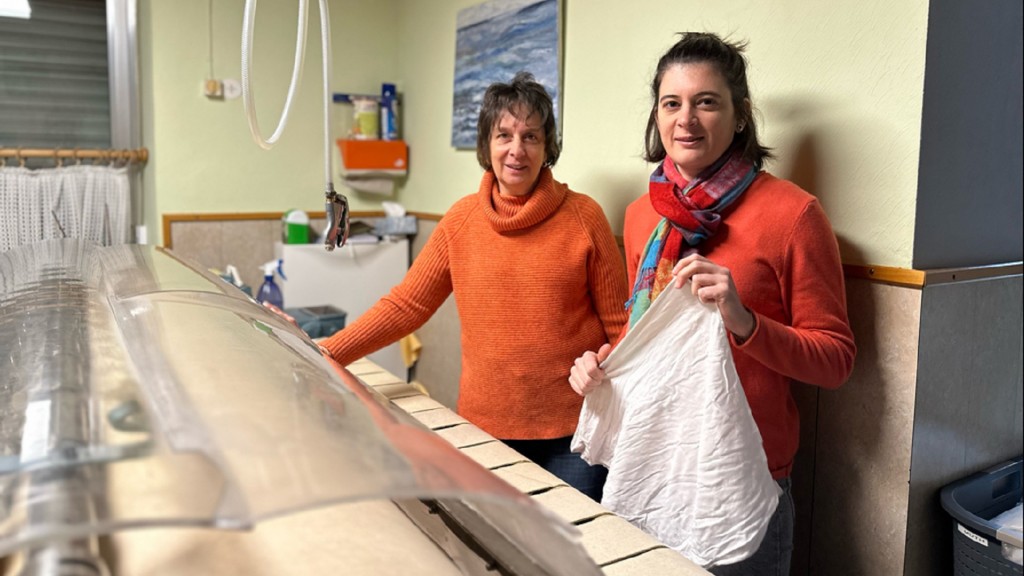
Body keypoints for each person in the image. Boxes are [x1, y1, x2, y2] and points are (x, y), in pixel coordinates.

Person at [568, 32, 856, 574]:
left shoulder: (793, 215)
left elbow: (836, 360)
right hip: (652, 467)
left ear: (741, 115)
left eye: (707, 102)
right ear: (656, 116)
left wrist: (746, 322)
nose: (686, 120)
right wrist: (602, 363)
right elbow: (647, 339)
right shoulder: (640, 217)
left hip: (744, 481)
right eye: (671, 103)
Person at [320, 72, 629, 502]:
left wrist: (609, 366)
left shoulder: (584, 217)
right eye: (504, 135)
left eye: (531, 136)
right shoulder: (461, 221)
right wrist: (329, 352)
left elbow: (623, 328)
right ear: (486, 144)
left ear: (547, 147)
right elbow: (407, 305)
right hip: (484, 431)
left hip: (575, 436)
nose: (516, 150)